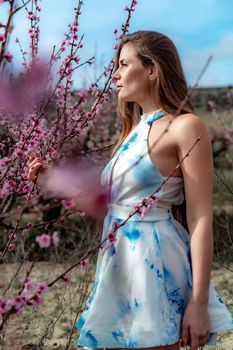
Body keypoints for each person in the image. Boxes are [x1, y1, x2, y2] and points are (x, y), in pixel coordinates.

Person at [28, 31, 233, 350]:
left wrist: (198, 303)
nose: (115, 74)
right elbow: (112, 208)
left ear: (152, 69)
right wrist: (52, 182)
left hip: (156, 271)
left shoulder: (185, 126)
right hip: (118, 267)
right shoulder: (133, 132)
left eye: (125, 64)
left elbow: (201, 219)